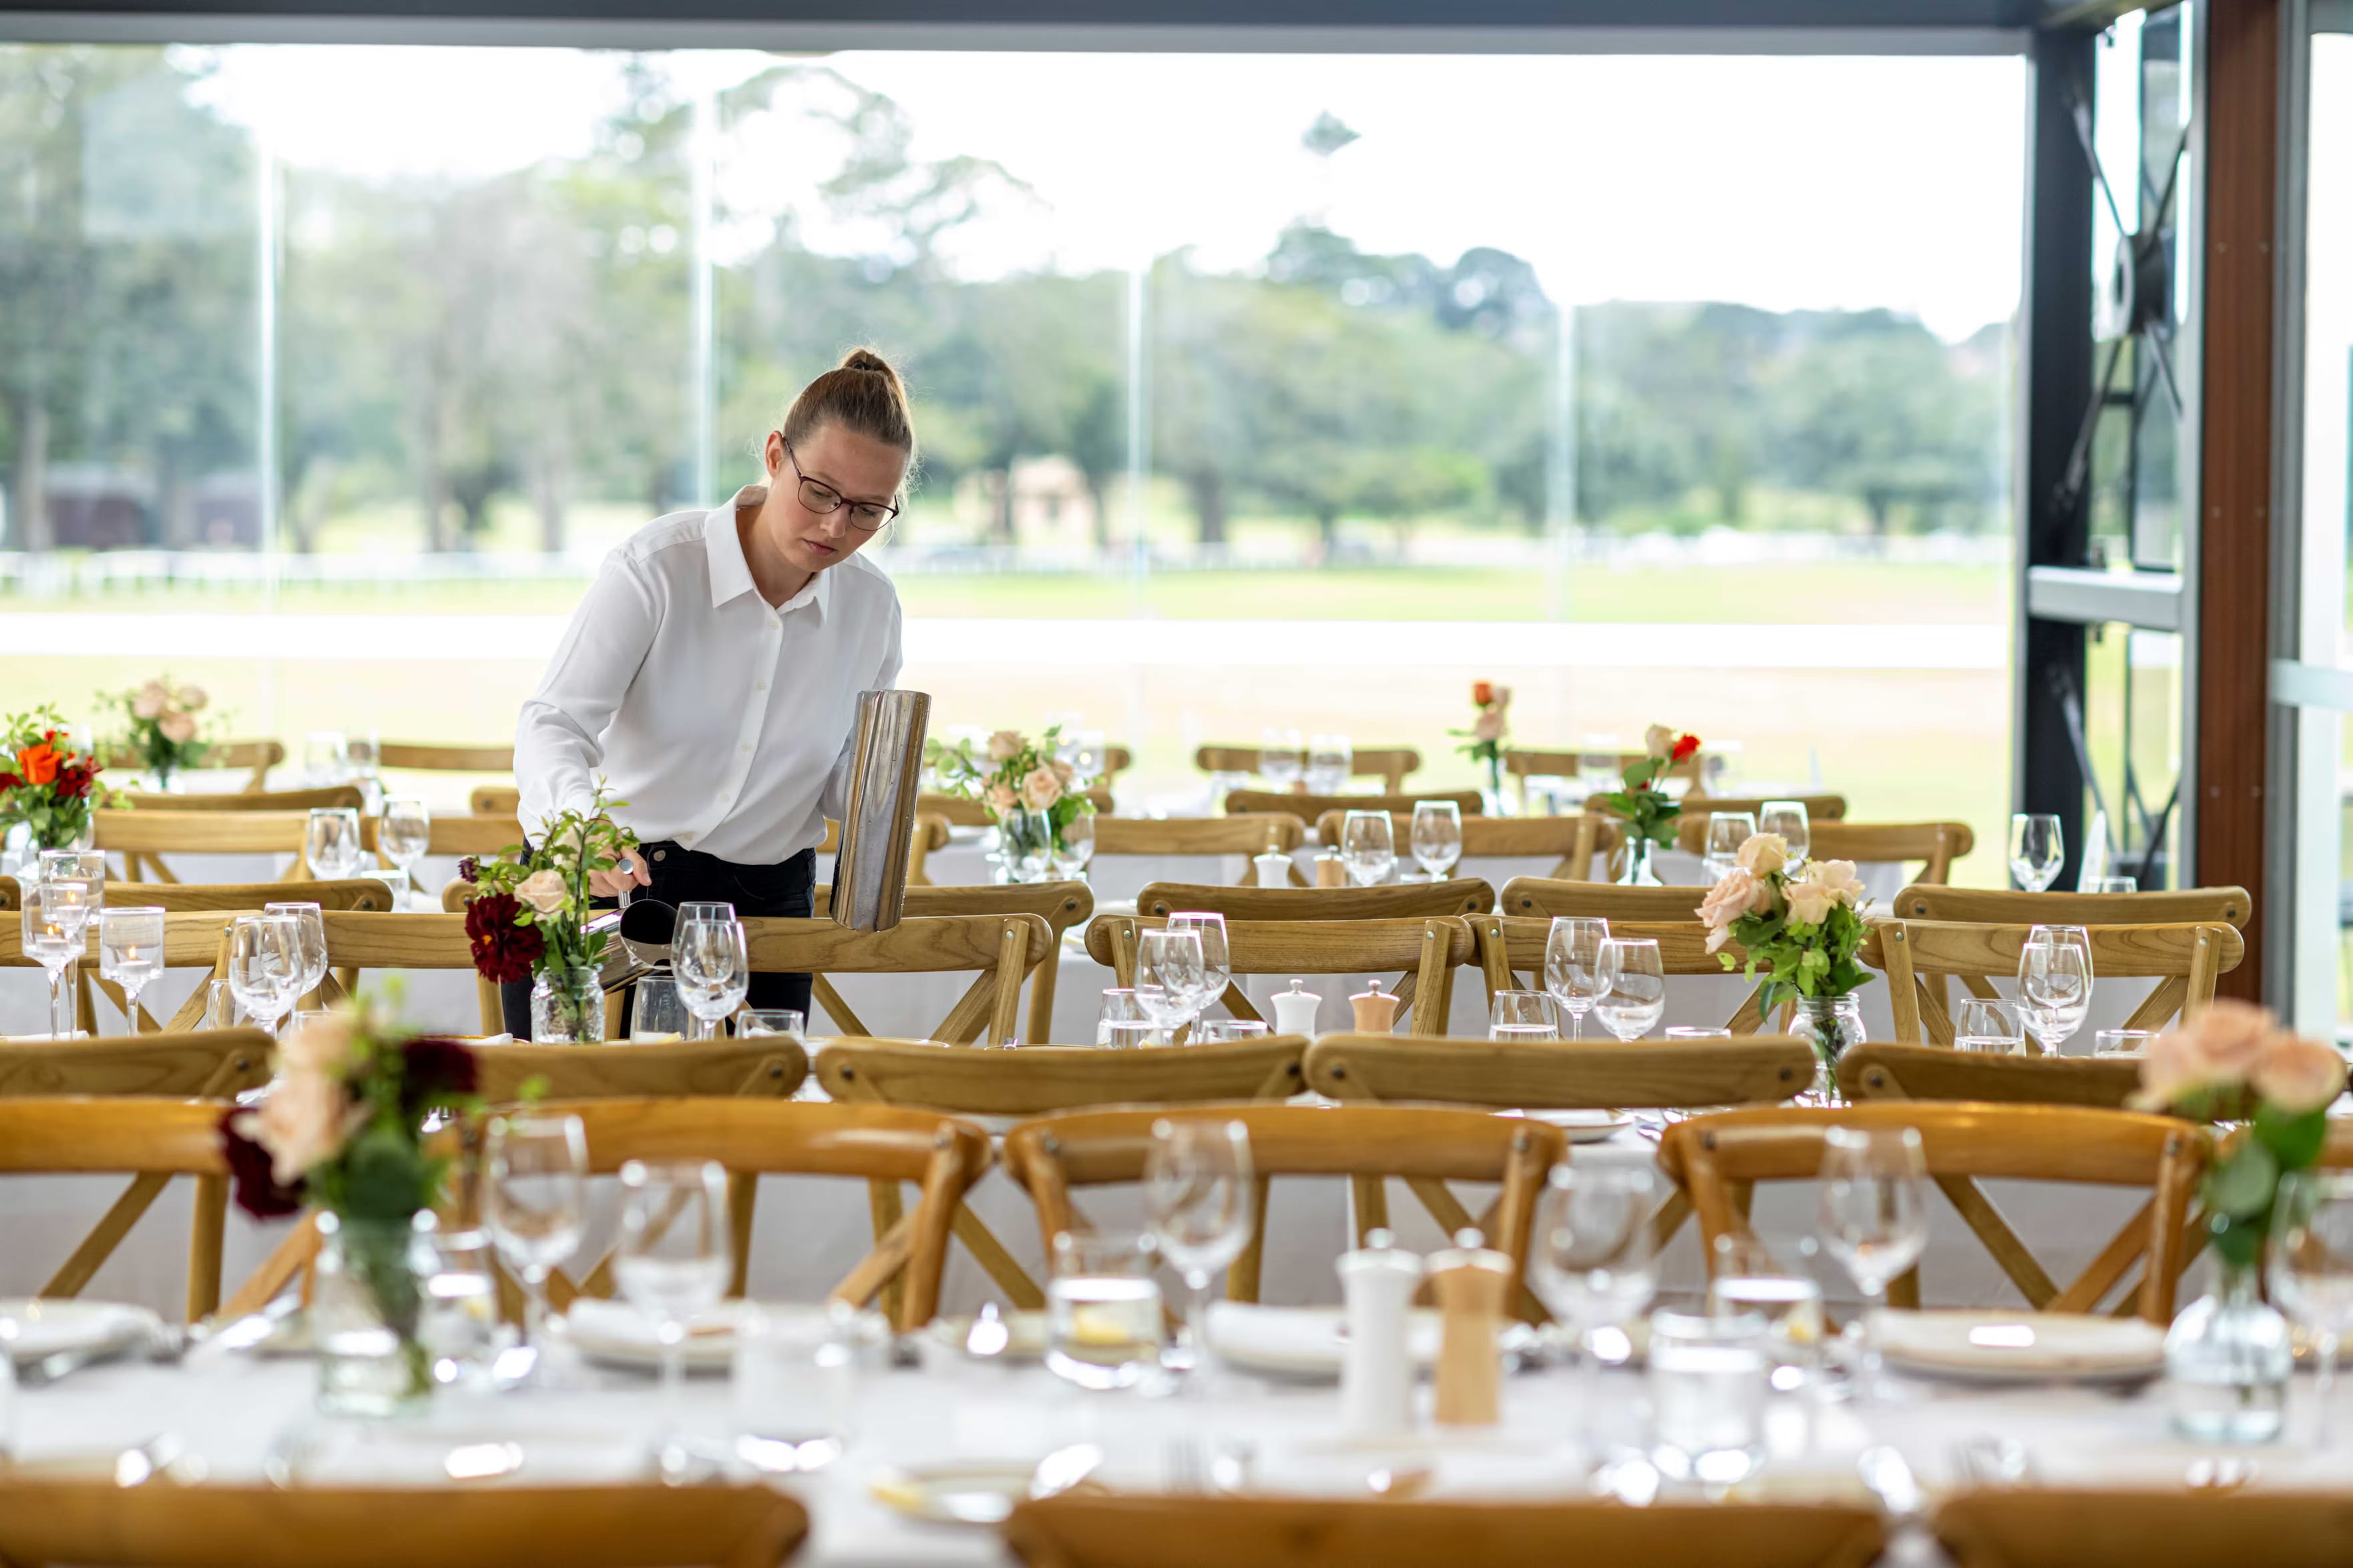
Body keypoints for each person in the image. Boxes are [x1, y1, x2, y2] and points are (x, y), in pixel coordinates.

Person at [508, 347, 913, 1036]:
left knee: (750, 1125)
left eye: (868, 511)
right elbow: (552, 726)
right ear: (775, 454)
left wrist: (888, 782)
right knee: (571, 1118)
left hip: (764, 911)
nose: (834, 528)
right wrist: (582, 829)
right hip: (616, 886)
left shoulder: (872, 608)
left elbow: (840, 782)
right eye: (819, 492)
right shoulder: (658, 569)